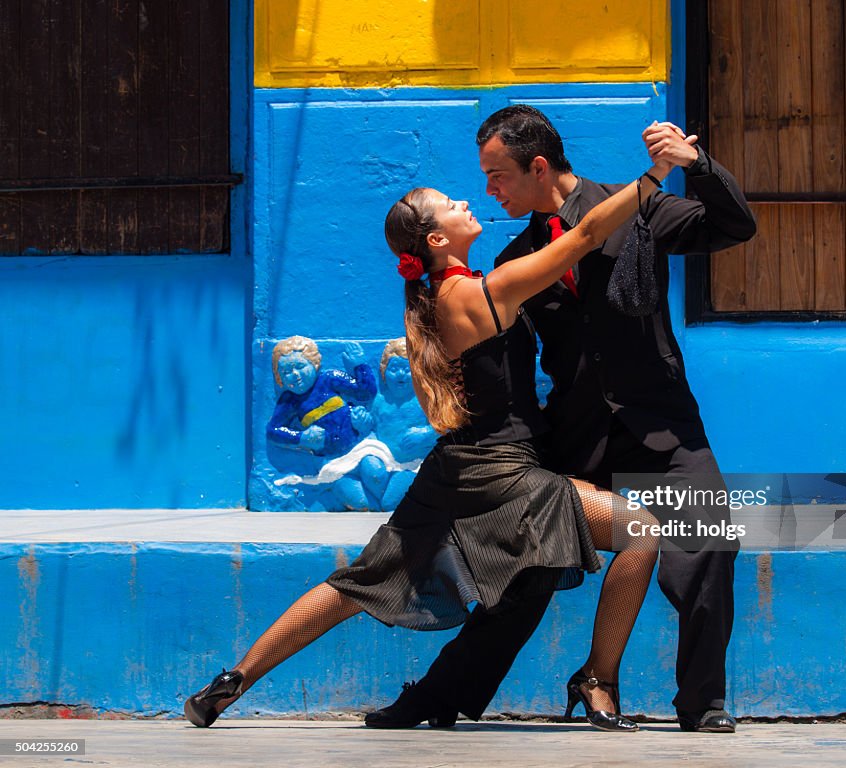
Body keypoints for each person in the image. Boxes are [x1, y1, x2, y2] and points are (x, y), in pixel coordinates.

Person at [184, 136, 682, 732]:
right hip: (504, 474)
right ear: (438, 239)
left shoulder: (434, 297)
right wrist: (653, 178)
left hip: (455, 470)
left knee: (354, 586)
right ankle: (597, 678)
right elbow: (583, 237)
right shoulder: (479, 293)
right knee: (643, 532)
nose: (467, 200)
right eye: (449, 202)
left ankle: (232, 681)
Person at [368, 106, 756, 733]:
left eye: (497, 175)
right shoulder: (518, 255)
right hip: (575, 434)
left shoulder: (638, 206)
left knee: (709, 544)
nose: (489, 191)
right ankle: (437, 698)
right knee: (526, 571)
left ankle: (702, 704)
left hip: (662, 426)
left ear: (538, 166)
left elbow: (734, 224)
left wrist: (700, 167)